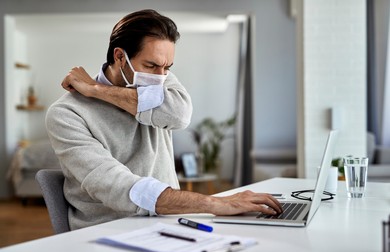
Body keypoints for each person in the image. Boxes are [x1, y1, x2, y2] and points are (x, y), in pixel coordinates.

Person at [47, 9, 282, 230]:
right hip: (109, 229)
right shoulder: (67, 114)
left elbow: (179, 115)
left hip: (168, 220)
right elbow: (117, 186)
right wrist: (217, 204)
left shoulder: (159, 76)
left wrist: (96, 89)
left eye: (167, 67)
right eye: (151, 65)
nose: (161, 78)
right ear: (120, 56)